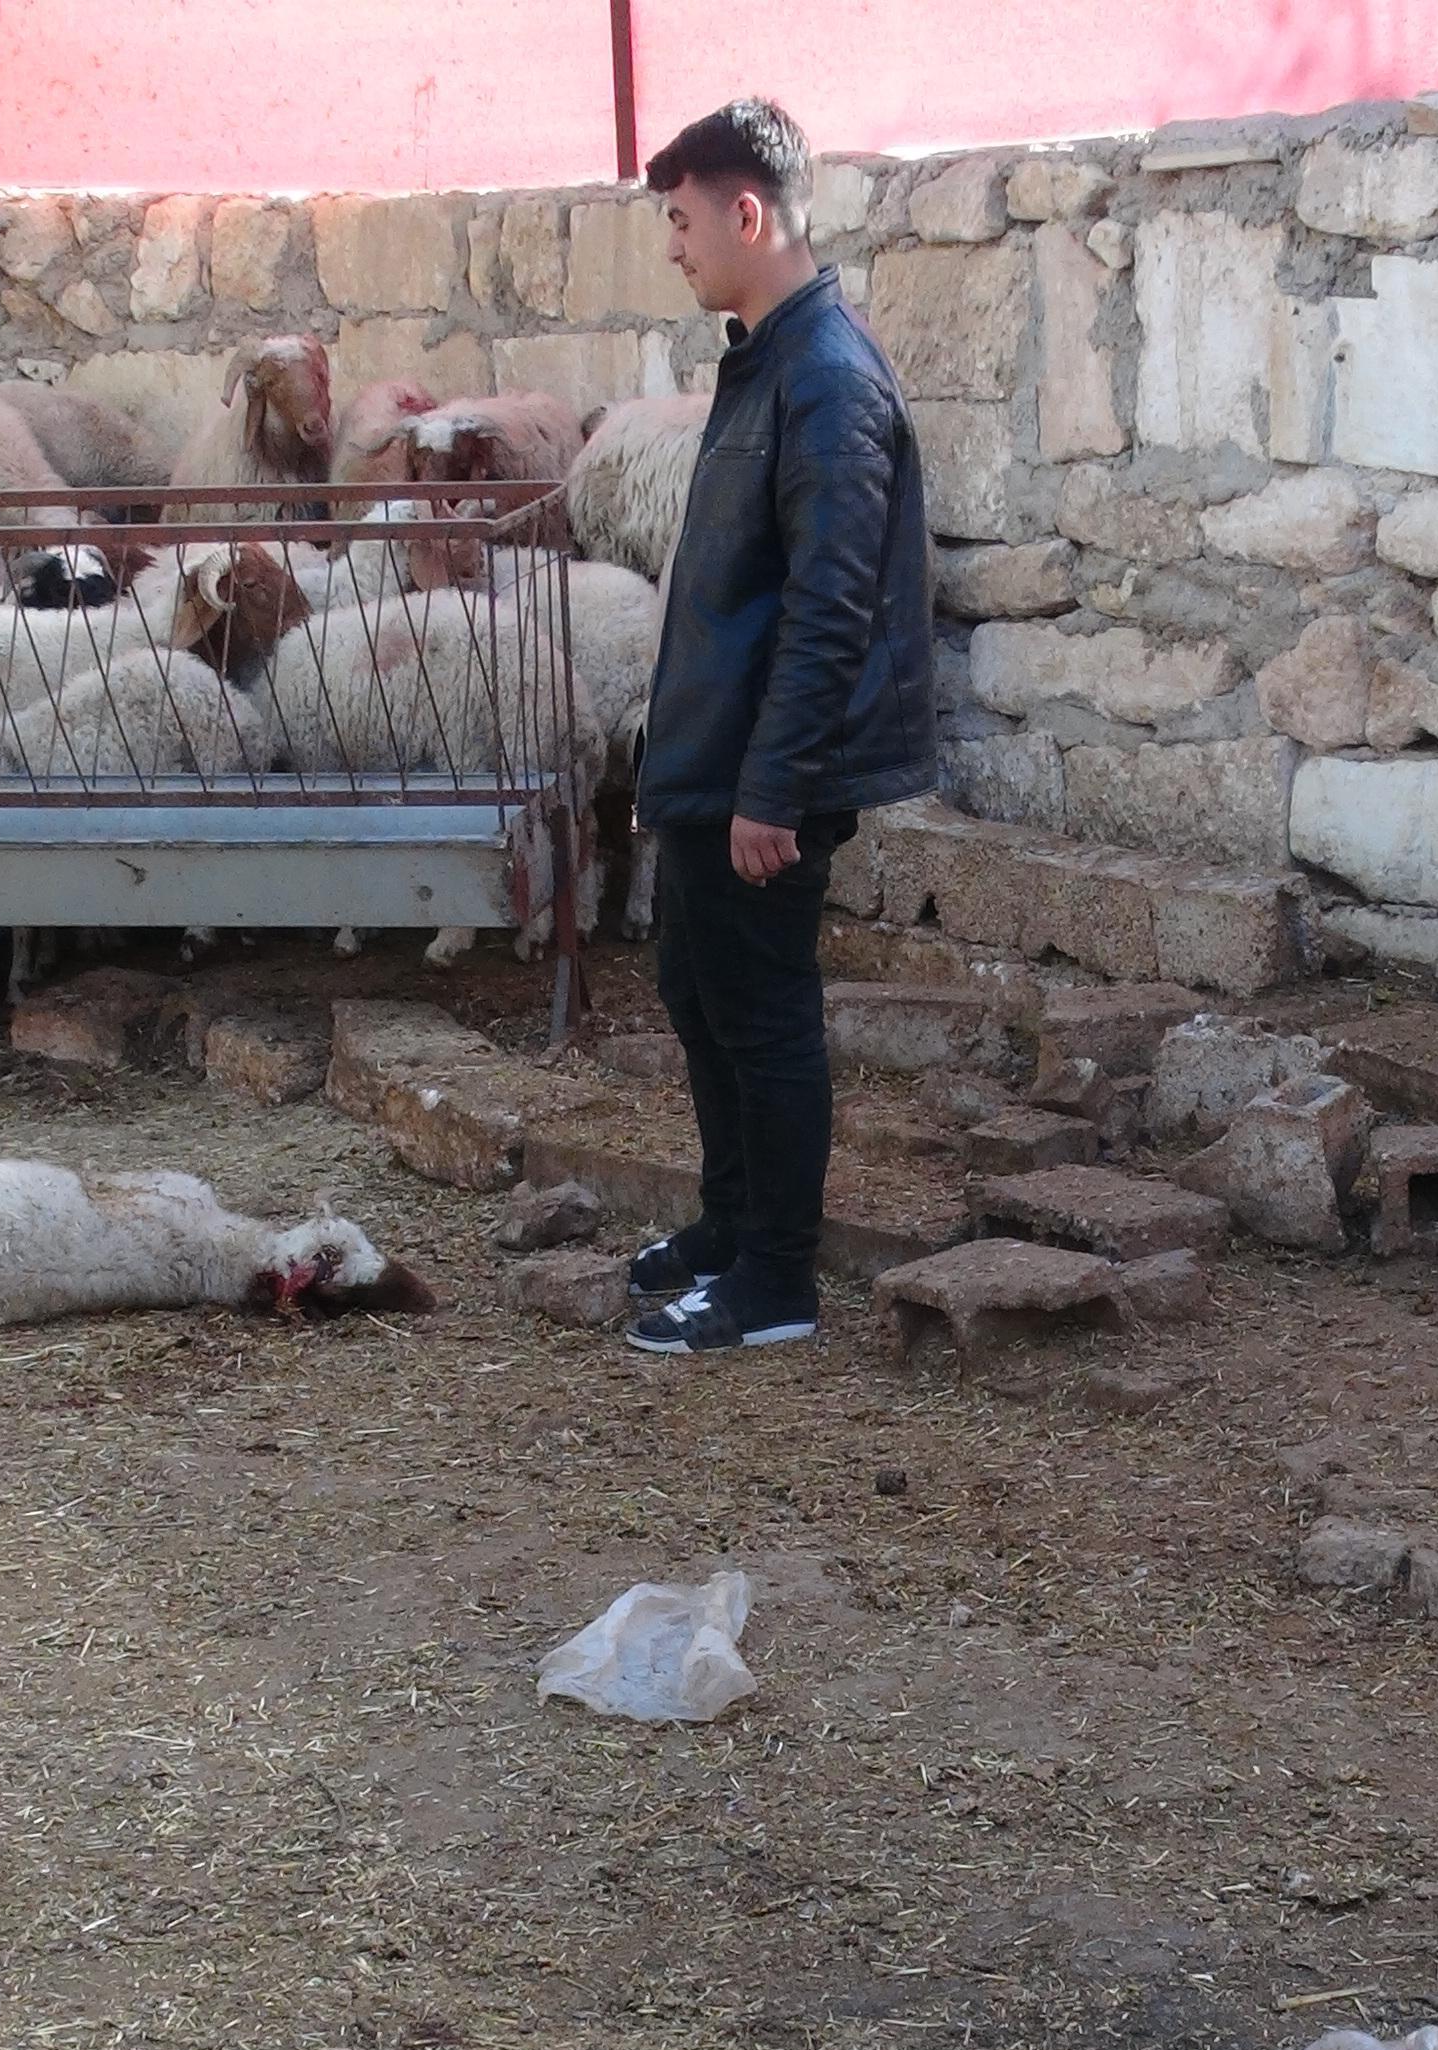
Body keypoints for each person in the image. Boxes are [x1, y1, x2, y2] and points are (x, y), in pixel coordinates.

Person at [616, 97, 939, 1357]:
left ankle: (776, 1282)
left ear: (746, 214)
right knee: (700, 993)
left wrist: (773, 789)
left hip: (760, 772)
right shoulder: (767, 360)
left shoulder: (828, 380)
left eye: (681, 221)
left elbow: (830, 605)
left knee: (762, 1012)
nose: (672, 247)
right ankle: (732, 1225)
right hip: (717, 757)